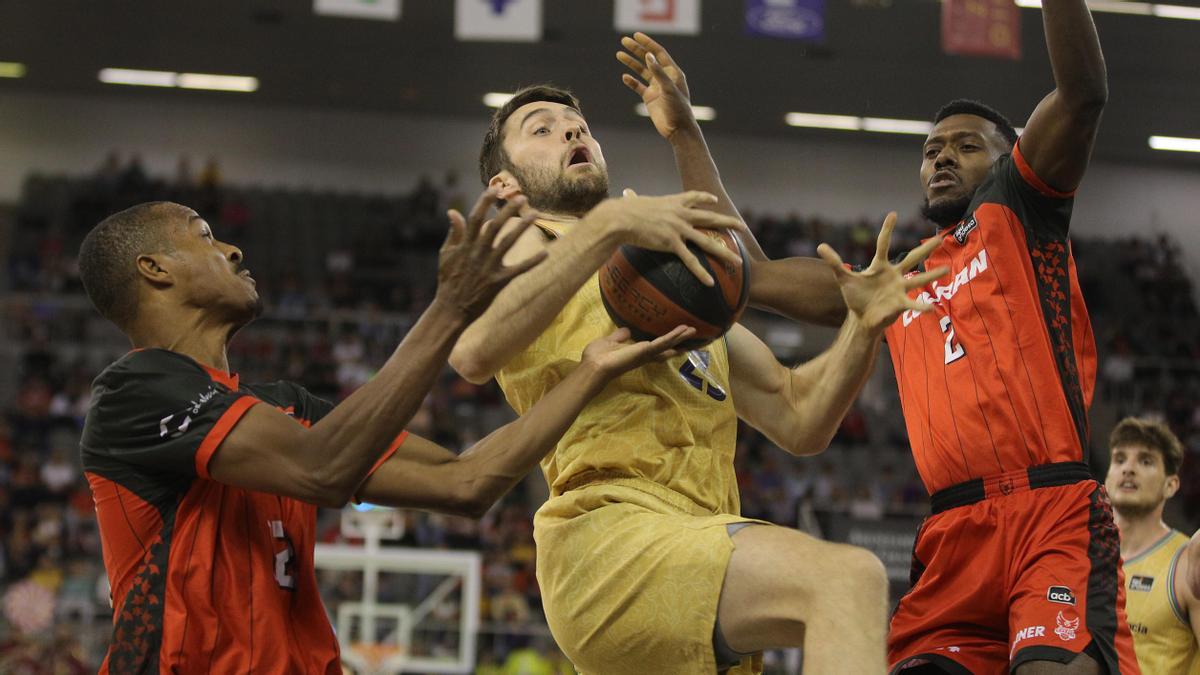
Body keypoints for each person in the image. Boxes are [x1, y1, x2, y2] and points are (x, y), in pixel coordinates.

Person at [449, 67, 947, 669]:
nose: (571, 132)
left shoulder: (660, 279)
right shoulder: (519, 238)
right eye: (543, 129)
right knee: (847, 579)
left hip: (701, 539)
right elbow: (473, 352)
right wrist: (605, 225)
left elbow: (798, 417)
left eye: (578, 126)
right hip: (609, 536)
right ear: (503, 183)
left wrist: (862, 329)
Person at [76, 193, 696, 673]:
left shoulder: (283, 408)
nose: (234, 250)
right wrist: (450, 307)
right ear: (154, 268)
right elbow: (320, 470)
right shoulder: (133, 392)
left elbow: (465, 482)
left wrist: (588, 371)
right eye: (205, 236)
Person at [730, 2, 1140, 671]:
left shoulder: (1021, 208)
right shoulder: (891, 281)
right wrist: (687, 130)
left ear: (1011, 157)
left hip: (1050, 514)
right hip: (953, 534)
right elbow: (752, 277)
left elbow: (1083, 94)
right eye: (931, 150)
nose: (942, 155)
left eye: (965, 144)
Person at [1105, 417, 1200, 674]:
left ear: (1171, 485)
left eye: (1145, 461)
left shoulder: (1187, 563)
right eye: (1119, 459)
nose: (1128, 469)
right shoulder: (1080, 558)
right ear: (1106, 478)